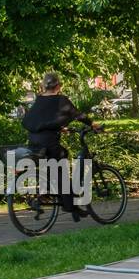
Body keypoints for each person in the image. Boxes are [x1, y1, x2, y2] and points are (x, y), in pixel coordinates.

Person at [20, 72, 101, 214]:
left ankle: (48, 192)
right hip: (49, 141)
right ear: (58, 85)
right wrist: (93, 124)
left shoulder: (39, 100)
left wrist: (59, 127)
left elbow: (42, 119)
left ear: (44, 86)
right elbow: (77, 114)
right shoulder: (61, 100)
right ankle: (70, 205)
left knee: (53, 165)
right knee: (62, 159)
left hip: (33, 140)